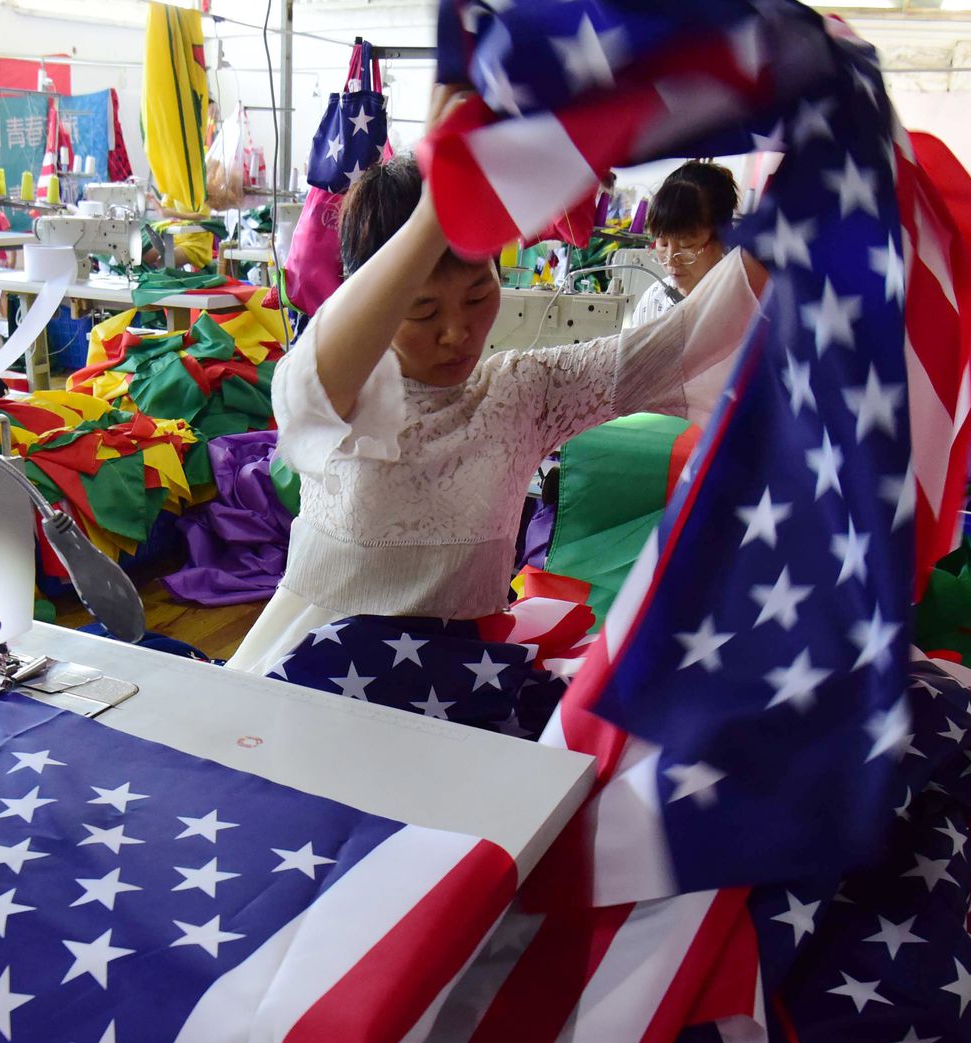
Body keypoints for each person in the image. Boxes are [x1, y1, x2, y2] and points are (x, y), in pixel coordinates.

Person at [226, 92, 768, 675]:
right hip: (306, 678)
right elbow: (308, 378)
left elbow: (694, 334)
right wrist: (437, 210)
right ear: (372, 295)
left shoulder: (524, 393)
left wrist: (818, 193)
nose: (458, 332)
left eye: (479, 295)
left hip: (460, 690)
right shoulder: (343, 397)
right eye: (423, 310)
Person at [626, 160, 739, 328]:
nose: (671, 260)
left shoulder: (739, 306)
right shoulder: (654, 298)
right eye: (663, 243)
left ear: (722, 238)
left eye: (686, 245)